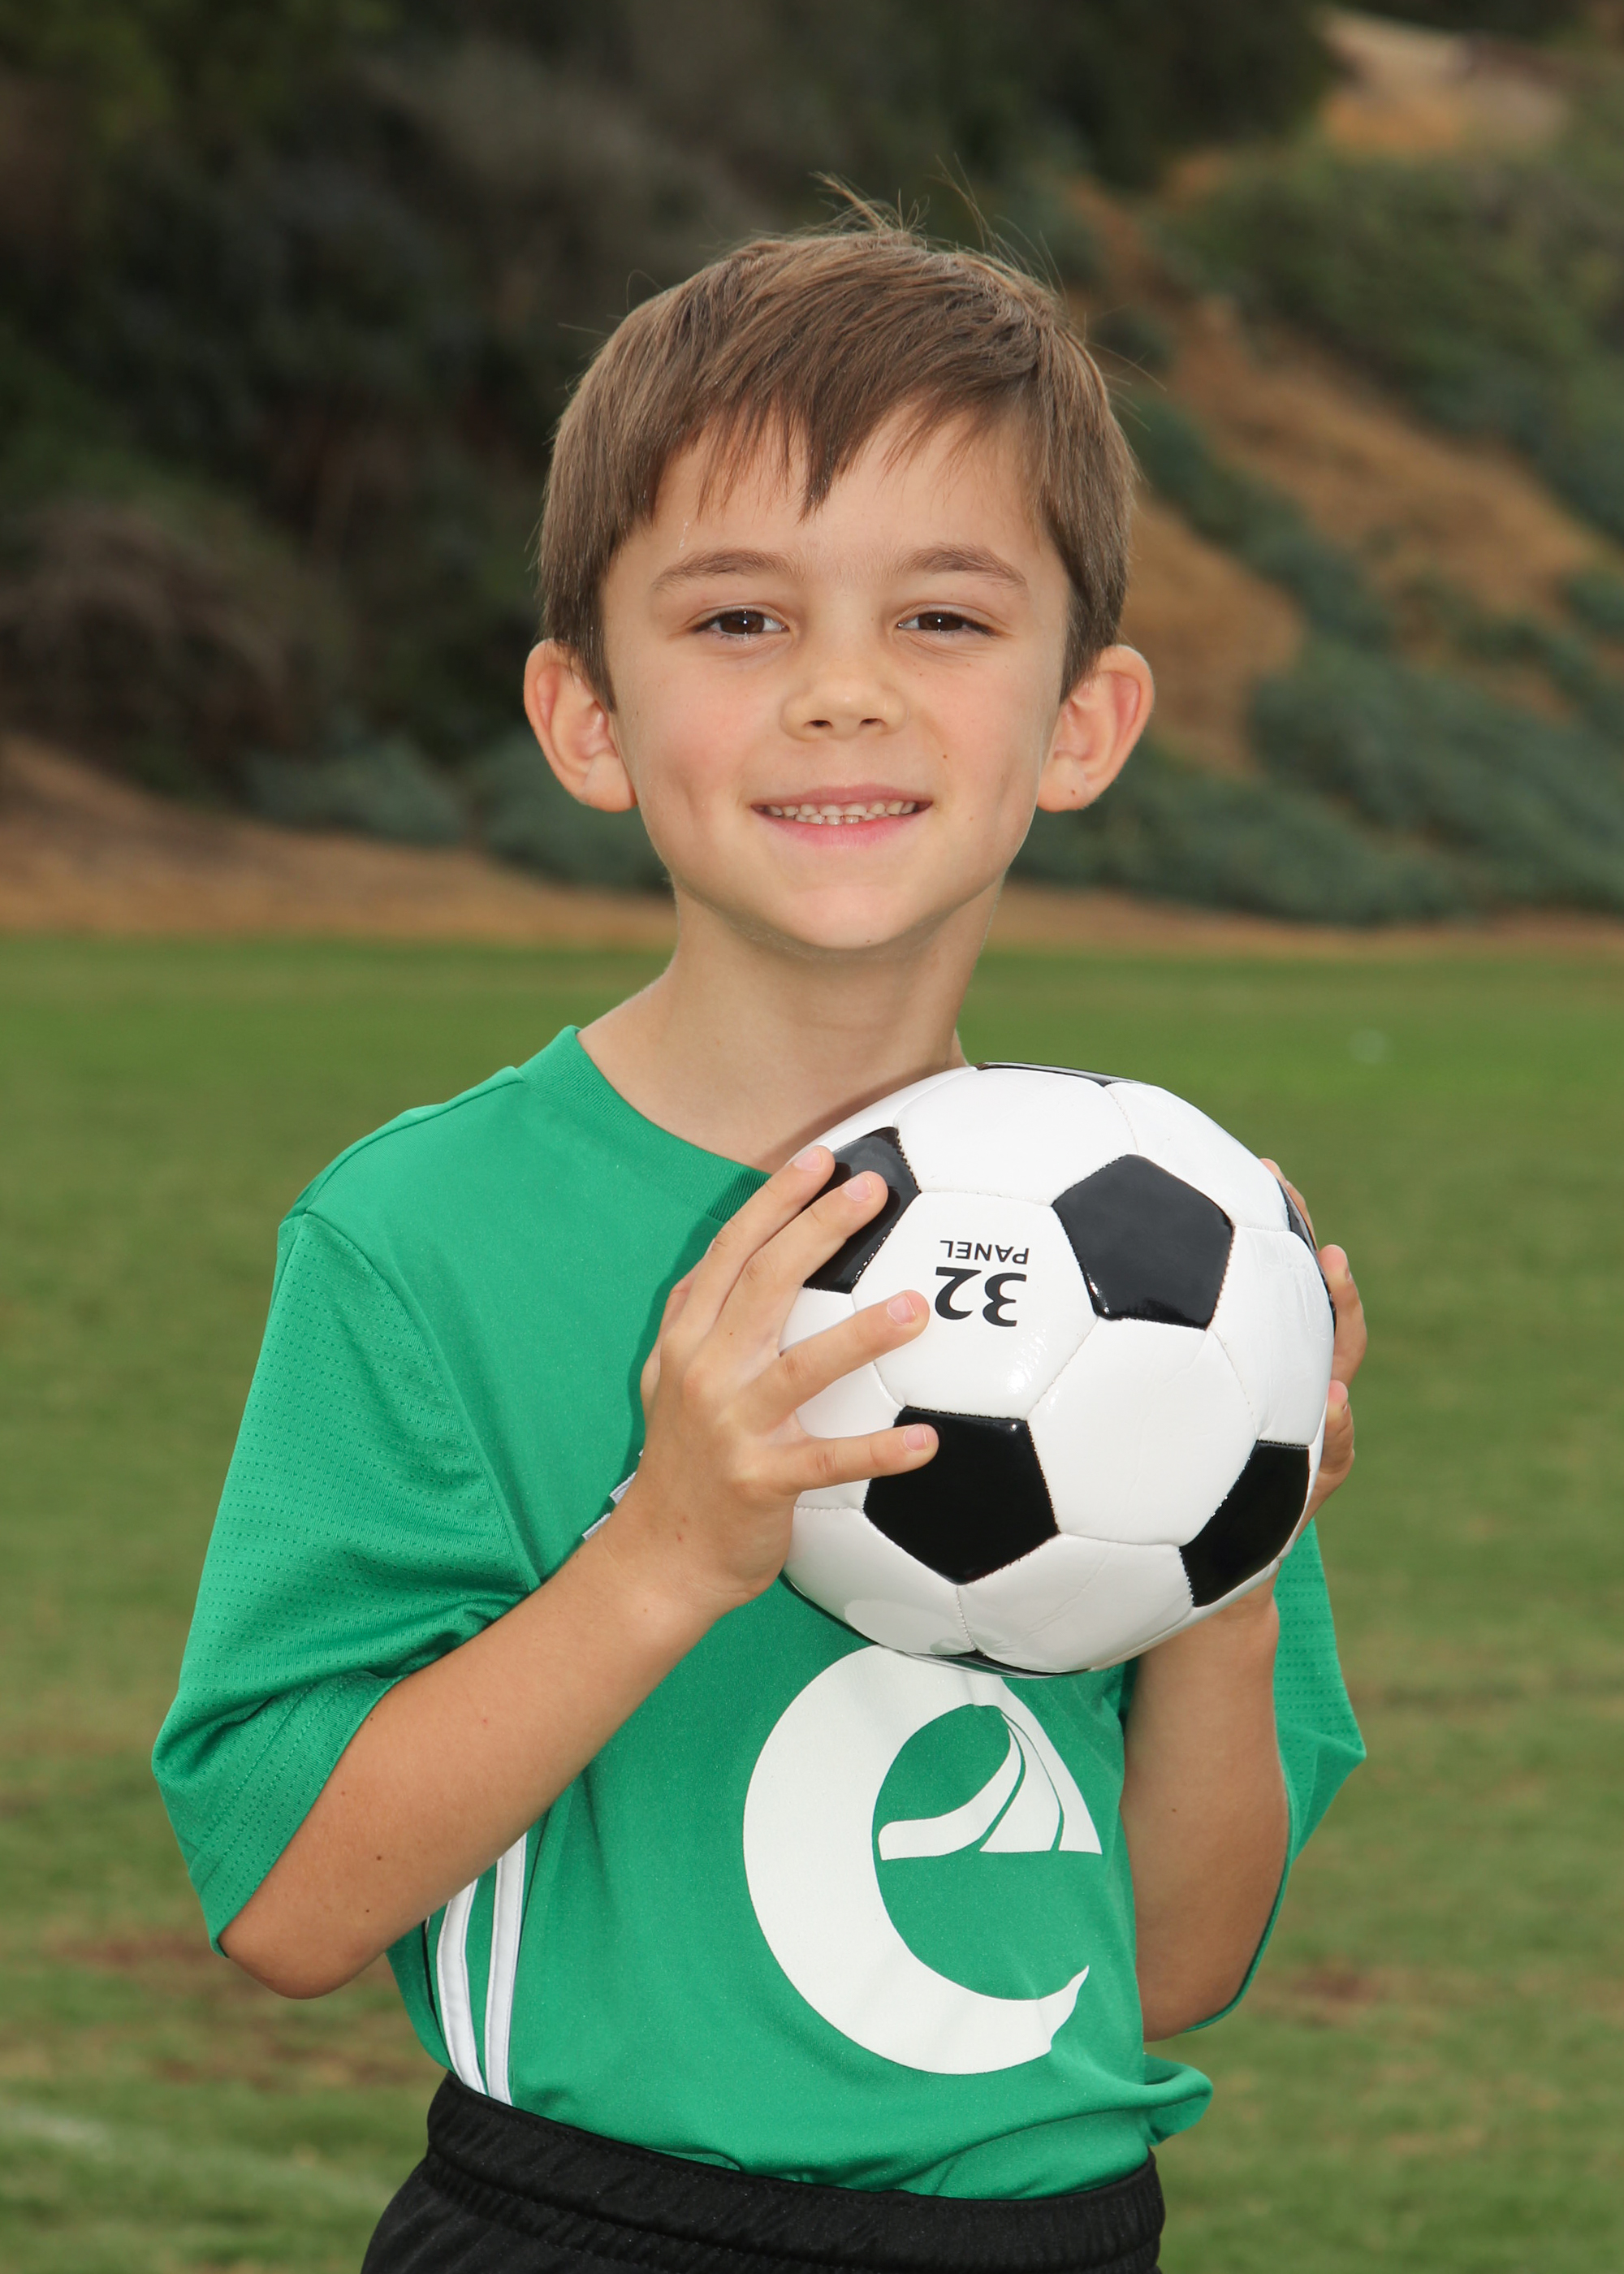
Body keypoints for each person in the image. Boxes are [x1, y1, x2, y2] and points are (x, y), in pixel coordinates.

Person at [153, 219, 1367, 2274]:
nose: (841, 692)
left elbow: (1167, 1963)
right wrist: (665, 1550)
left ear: (1082, 721)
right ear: (586, 716)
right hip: (597, 2230)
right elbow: (283, 1902)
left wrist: (1229, 1576)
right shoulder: (421, 1237)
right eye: (737, 617)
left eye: (943, 617)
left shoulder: (1187, 1280)